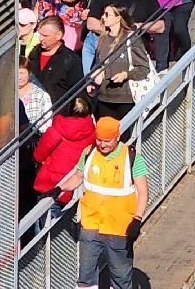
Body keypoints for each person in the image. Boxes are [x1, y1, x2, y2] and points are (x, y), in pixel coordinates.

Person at [58, 116, 148, 289]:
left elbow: (143, 193)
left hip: (120, 228)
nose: (102, 144)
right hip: (91, 224)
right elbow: (78, 176)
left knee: (121, 276)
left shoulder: (132, 157)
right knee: (86, 277)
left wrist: (137, 219)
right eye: (99, 139)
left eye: (107, 140)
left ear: (118, 137)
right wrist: (59, 189)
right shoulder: (89, 153)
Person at [89, 5, 153, 120]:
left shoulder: (131, 39)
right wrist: (94, 78)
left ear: (118, 18)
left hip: (125, 100)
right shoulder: (102, 39)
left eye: (107, 14)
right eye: (103, 14)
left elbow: (143, 68)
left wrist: (125, 75)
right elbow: (98, 64)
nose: (103, 17)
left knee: (124, 136)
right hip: (104, 98)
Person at [33, 94, 95, 207]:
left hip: (50, 183)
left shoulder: (56, 129)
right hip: (76, 185)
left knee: (45, 220)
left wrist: (45, 160)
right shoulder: (93, 134)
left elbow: (38, 155)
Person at [27, 15, 84, 110]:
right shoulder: (35, 53)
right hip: (33, 109)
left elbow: (77, 90)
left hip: (58, 113)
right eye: (40, 34)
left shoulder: (70, 59)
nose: (41, 39)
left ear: (58, 35)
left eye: (45, 36)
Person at [19, 57, 54, 133]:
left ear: (29, 73)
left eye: (22, 73)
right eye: (16, 73)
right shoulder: (7, 95)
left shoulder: (41, 95)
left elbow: (48, 122)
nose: (19, 77)